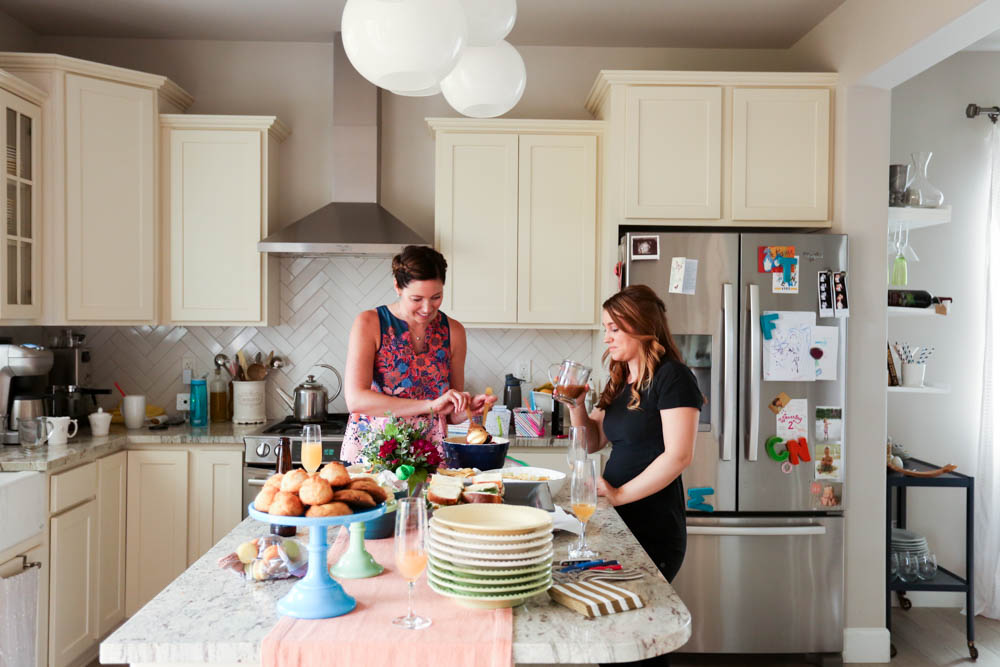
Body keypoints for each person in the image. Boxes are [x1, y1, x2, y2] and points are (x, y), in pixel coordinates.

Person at [568, 285, 702, 584]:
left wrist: (619, 495)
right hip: (619, 521)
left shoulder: (673, 376)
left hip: (653, 527)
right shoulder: (620, 379)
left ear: (641, 325)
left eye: (614, 328)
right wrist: (576, 404)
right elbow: (593, 441)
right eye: (606, 328)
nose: (606, 338)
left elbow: (679, 456)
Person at [341, 245, 495, 463]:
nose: (426, 308)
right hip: (376, 456)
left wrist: (469, 409)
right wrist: (429, 406)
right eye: (416, 299)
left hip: (430, 457)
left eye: (436, 297)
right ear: (397, 286)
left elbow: (449, 412)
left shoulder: (454, 331)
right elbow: (356, 400)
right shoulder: (370, 323)